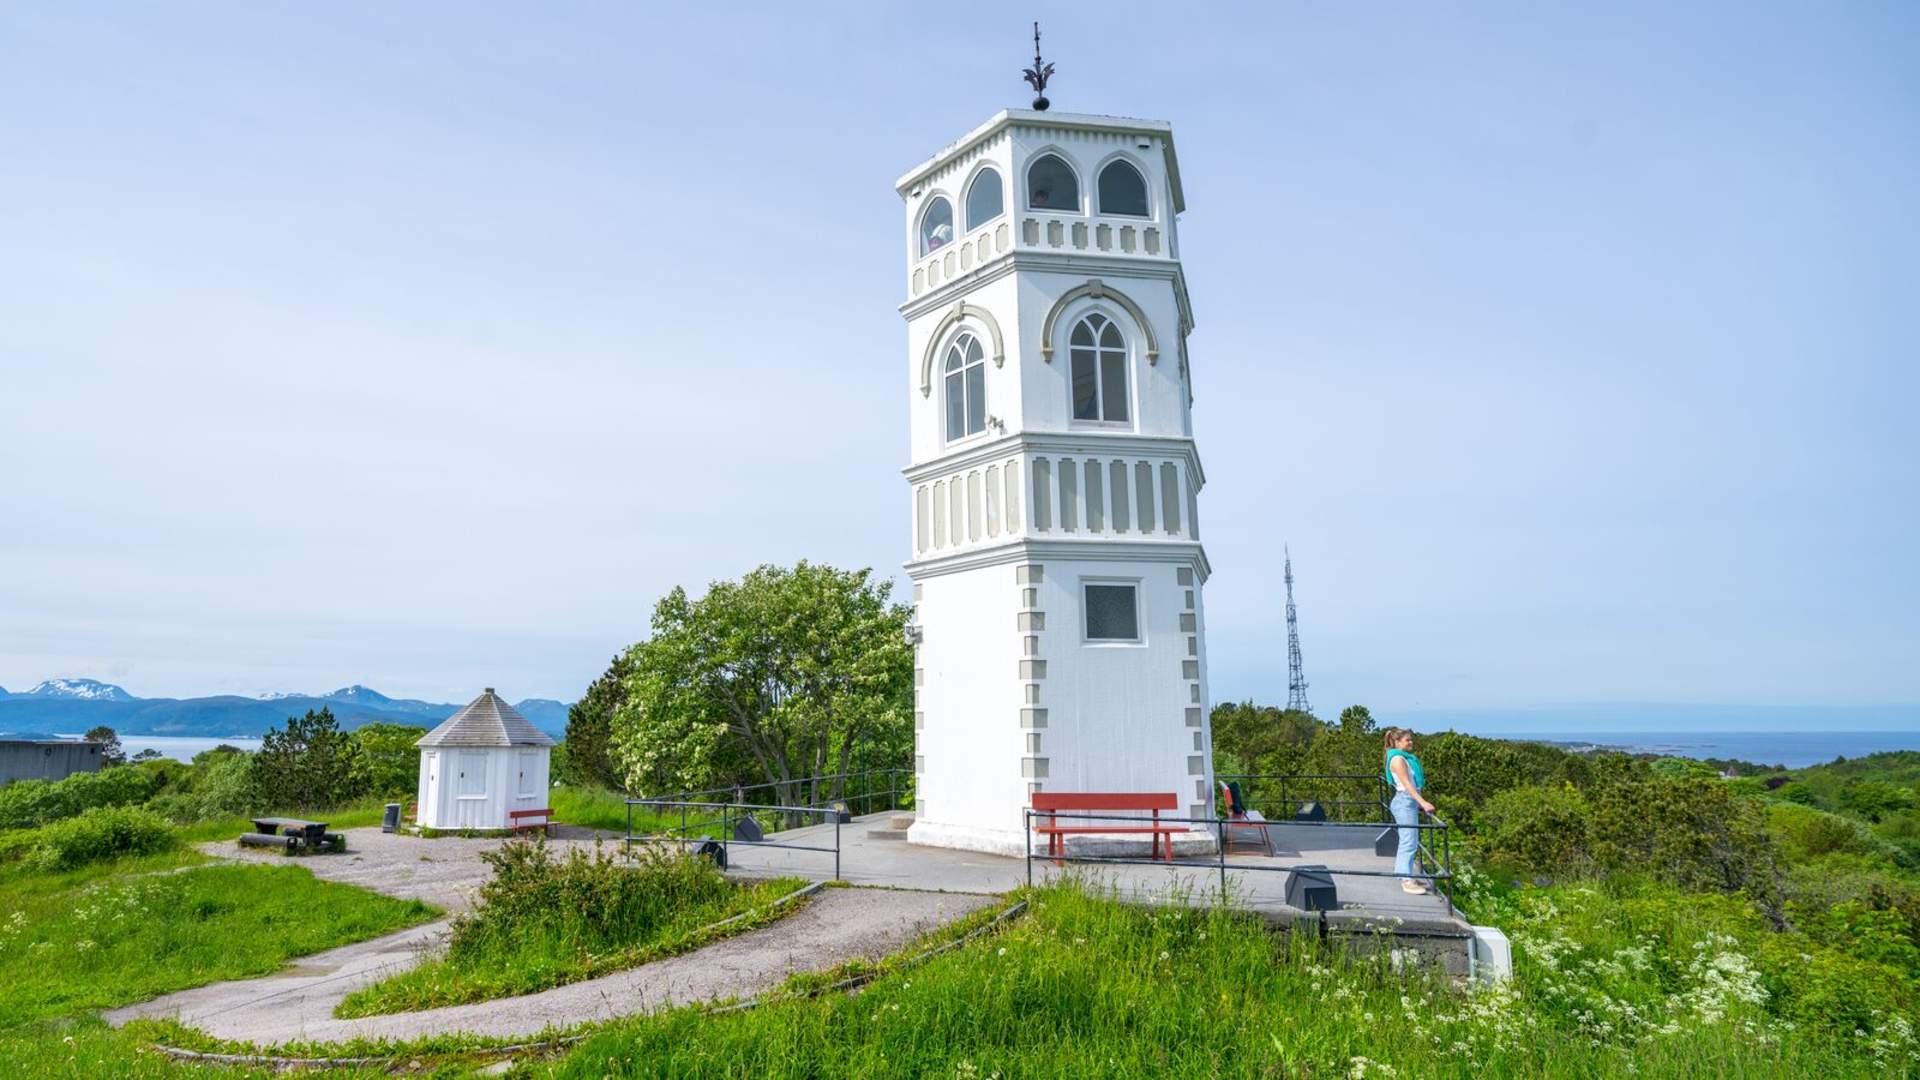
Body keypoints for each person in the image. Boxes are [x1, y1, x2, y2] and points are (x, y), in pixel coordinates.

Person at [1384, 727, 1435, 894]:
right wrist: (1423, 802)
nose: (1411, 742)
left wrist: (1418, 802)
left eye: (1411, 739)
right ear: (1397, 742)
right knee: (1408, 841)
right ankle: (1406, 880)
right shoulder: (1398, 760)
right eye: (1407, 740)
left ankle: (1406, 875)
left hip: (1409, 802)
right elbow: (1407, 786)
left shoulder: (1404, 758)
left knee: (1410, 840)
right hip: (1405, 802)